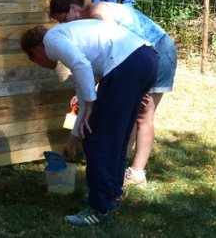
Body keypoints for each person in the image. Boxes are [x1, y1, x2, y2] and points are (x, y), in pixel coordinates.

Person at [20, 20, 158, 226]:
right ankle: (111, 195)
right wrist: (71, 142)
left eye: (34, 60)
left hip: (128, 63)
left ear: (35, 51)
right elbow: (83, 104)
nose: (39, 64)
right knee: (116, 137)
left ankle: (99, 208)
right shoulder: (78, 46)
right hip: (146, 59)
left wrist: (92, 106)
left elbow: (83, 73)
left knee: (97, 140)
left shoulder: (52, 39)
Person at [49, 0, 178, 187]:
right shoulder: (87, 20)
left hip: (158, 49)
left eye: (62, 20)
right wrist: (86, 91)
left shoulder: (97, 12)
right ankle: (118, 168)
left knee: (144, 114)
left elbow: (115, 48)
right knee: (132, 113)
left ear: (73, 9)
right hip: (144, 55)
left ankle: (136, 173)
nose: (63, 26)